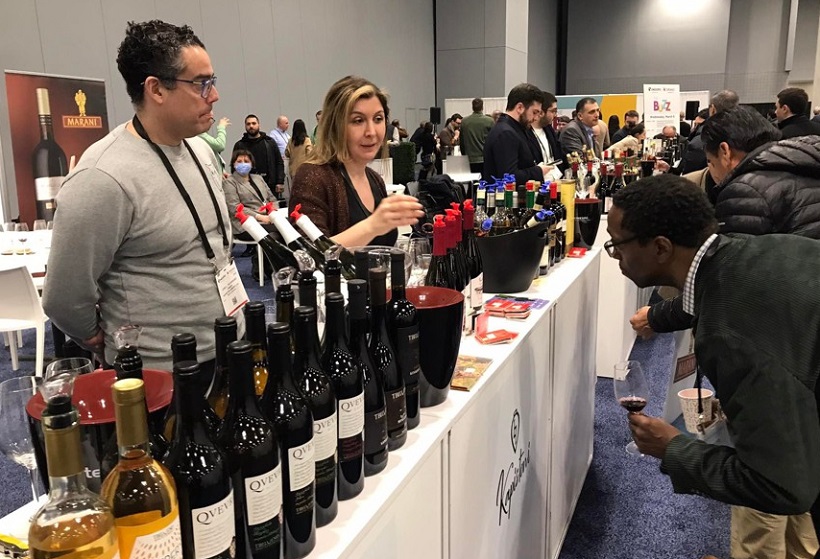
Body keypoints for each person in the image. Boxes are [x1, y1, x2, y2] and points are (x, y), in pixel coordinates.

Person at [608, 175, 820, 559]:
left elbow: (781, 486)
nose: (615, 257)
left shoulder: (730, 335)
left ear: (660, 247)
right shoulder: (746, 252)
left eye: (617, 245)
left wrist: (673, 448)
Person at [43, 20, 236, 370]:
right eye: (201, 83)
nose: (214, 95)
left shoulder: (200, 149)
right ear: (156, 89)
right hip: (159, 372)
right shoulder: (103, 176)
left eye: (213, 81)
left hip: (229, 347)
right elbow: (64, 297)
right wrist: (99, 338)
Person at [288, 75, 423, 247]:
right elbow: (308, 253)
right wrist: (372, 226)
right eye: (358, 121)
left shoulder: (375, 179)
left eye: (378, 119)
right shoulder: (313, 177)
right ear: (335, 126)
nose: (371, 132)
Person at [483, 83, 555, 183]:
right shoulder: (506, 133)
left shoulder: (514, 129)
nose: (536, 118)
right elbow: (508, 176)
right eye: (534, 112)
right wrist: (538, 171)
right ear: (520, 108)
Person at [222, 149, 278, 277]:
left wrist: (273, 210)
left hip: (267, 218)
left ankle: (266, 266)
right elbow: (235, 207)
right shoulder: (229, 182)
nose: (243, 164)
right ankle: (261, 266)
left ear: (252, 164)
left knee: (281, 231)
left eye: (246, 161)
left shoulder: (258, 178)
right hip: (244, 224)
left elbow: (272, 198)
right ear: (233, 164)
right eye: (239, 161)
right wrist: (260, 217)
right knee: (275, 233)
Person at [232, 114, 286, 201]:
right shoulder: (239, 145)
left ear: (258, 124)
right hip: (247, 188)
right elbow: (234, 167)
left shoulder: (269, 142)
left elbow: (279, 162)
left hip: (270, 185)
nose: (251, 126)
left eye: (254, 123)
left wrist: (280, 181)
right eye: (248, 124)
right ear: (245, 126)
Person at [527, 91, 564, 182]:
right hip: (538, 182)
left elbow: (558, 154)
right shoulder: (526, 133)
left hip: (555, 179)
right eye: (553, 111)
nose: (555, 115)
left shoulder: (549, 129)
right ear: (541, 112)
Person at [460, 98, 494, 174]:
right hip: (485, 159)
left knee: (471, 180)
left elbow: (462, 142)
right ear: (482, 107)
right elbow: (493, 141)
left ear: (472, 107)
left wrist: (464, 156)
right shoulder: (490, 121)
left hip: (469, 159)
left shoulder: (464, 121)